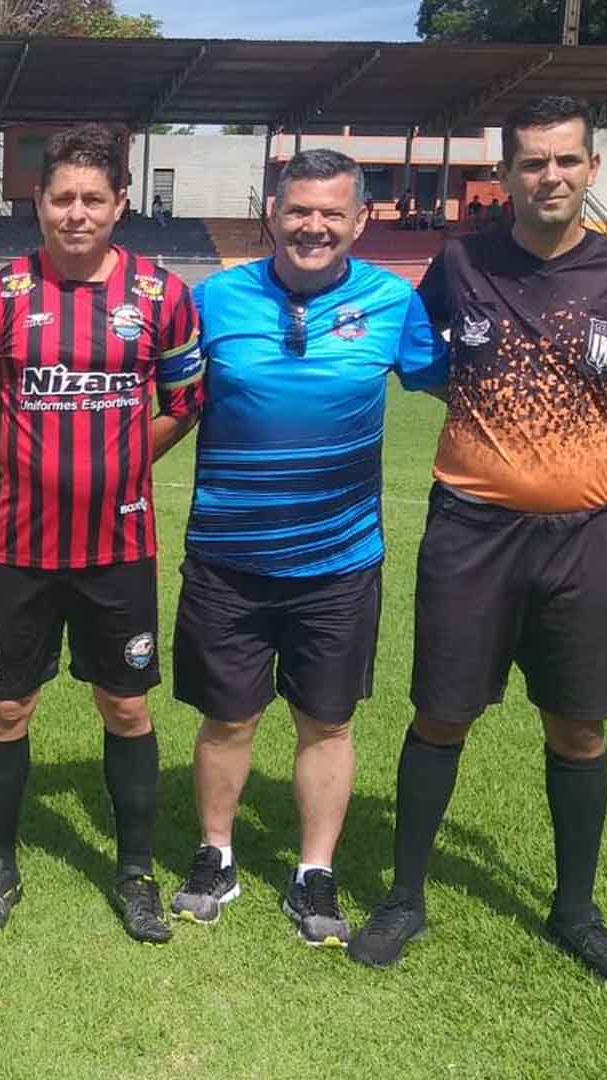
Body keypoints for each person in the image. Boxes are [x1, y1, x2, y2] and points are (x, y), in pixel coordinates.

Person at [348, 96, 607, 991]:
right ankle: (404, 897)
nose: (549, 176)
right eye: (532, 163)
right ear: (506, 175)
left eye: (566, 161)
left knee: (579, 727)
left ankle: (576, 912)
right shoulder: (462, 260)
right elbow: (410, 345)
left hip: (584, 540)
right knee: (441, 714)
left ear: (592, 170)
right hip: (470, 531)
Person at [168, 149, 447, 948]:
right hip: (227, 556)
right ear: (272, 213)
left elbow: (463, 388)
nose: (313, 226)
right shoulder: (214, 300)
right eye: (298, 211)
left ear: (361, 220)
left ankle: (312, 870)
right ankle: (214, 854)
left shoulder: (395, 305)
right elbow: (160, 395)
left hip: (340, 560)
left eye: (331, 213)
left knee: (327, 721)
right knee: (228, 719)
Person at [0, 123, 205, 942]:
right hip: (20, 547)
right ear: (39, 204)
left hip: (121, 548)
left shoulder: (163, 297)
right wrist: (18, 466)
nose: (77, 213)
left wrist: (122, 464)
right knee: (8, 708)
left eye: (94, 198)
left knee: (125, 708)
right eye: (62, 198)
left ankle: (134, 874)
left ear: (121, 204)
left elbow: (184, 404)